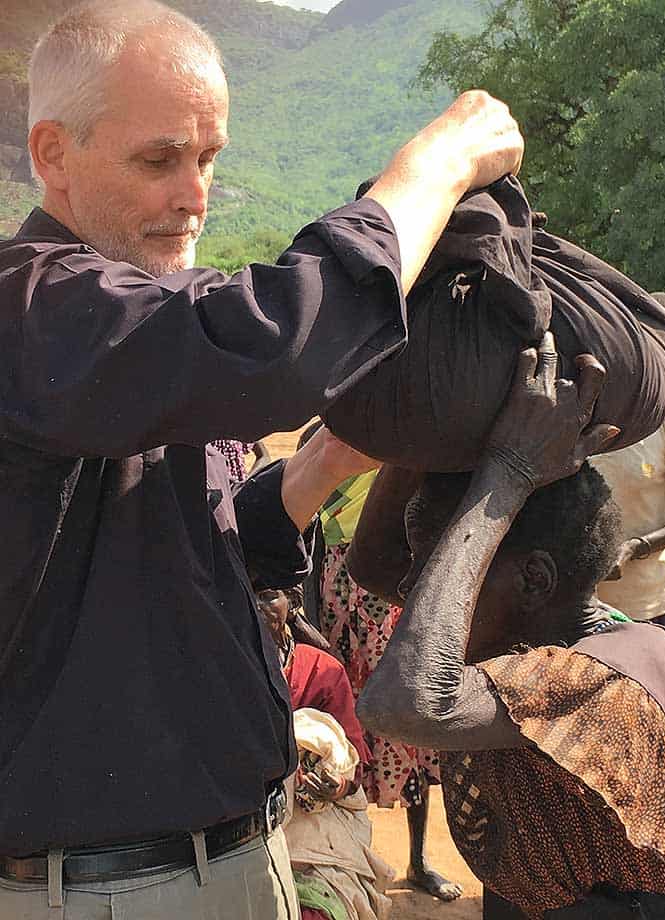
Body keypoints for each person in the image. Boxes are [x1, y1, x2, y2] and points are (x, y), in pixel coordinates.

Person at [0, 0, 524, 916]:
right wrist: (432, 169)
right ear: (52, 154)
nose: (195, 195)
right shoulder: (31, 311)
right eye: (158, 160)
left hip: (226, 858)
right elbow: (274, 343)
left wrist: (324, 465)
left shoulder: (116, 340)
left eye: (208, 159)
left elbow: (186, 559)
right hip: (112, 890)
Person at [356, 335, 665, 918]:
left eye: (439, 569)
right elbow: (373, 565)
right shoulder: (521, 635)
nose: (412, 594)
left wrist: (508, 474)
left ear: (533, 579)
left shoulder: (606, 676)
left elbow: (402, 703)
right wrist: (433, 418)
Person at [318, 470, 460, 901]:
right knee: (345, 734)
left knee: (412, 731)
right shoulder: (327, 444)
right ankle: (353, 860)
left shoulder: (411, 451)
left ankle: (418, 862)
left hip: (396, 599)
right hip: (337, 606)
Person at [257, 586, 393, 920]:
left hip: (320, 814)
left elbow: (352, 760)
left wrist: (338, 785)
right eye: (249, 591)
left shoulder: (323, 670)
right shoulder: (225, 668)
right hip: (253, 813)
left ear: (294, 604)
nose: (258, 604)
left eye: (268, 593)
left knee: (323, 905)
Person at [592, 403, 665, 635]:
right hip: (584, 612)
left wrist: (635, 547)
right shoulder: (566, 413)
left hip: (656, 604)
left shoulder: (664, 415)